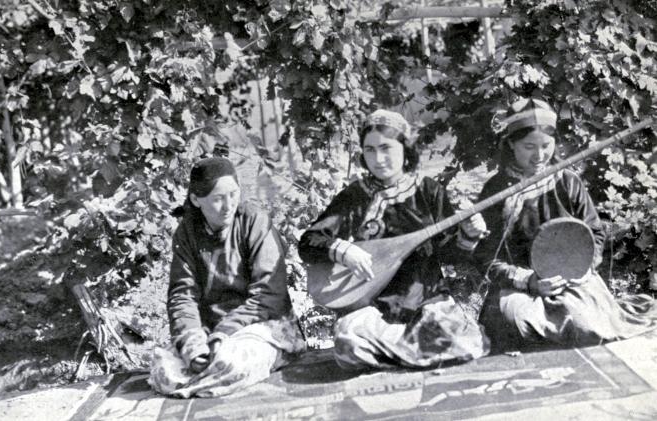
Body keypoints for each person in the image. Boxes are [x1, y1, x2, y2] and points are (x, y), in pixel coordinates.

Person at [298, 109, 490, 371]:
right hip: (374, 308)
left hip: (426, 302)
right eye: (370, 150)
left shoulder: (429, 190)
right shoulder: (355, 196)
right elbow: (309, 242)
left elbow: (449, 256)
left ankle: (397, 353)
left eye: (386, 148)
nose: (378, 159)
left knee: (462, 338)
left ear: (404, 149)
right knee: (347, 340)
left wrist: (468, 235)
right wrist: (343, 251)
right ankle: (416, 351)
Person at [474, 97, 657, 351]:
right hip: (520, 286)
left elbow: (595, 233)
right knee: (515, 323)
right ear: (511, 144)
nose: (539, 156)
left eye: (546, 145)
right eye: (529, 146)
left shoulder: (568, 182)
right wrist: (530, 281)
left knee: (584, 323)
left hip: (571, 278)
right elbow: (485, 257)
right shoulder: (496, 192)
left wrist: (580, 268)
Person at [149, 157, 305, 398]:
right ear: (196, 200)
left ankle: (209, 378)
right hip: (209, 333)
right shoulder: (187, 233)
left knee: (230, 362)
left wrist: (224, 333)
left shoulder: (254, 221)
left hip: (260, 326)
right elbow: (183, 295)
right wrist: (193, 344)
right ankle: (208, 377)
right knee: (163, 371)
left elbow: (269, 294)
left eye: (233, 194)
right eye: (218, 198)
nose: (228, 205)